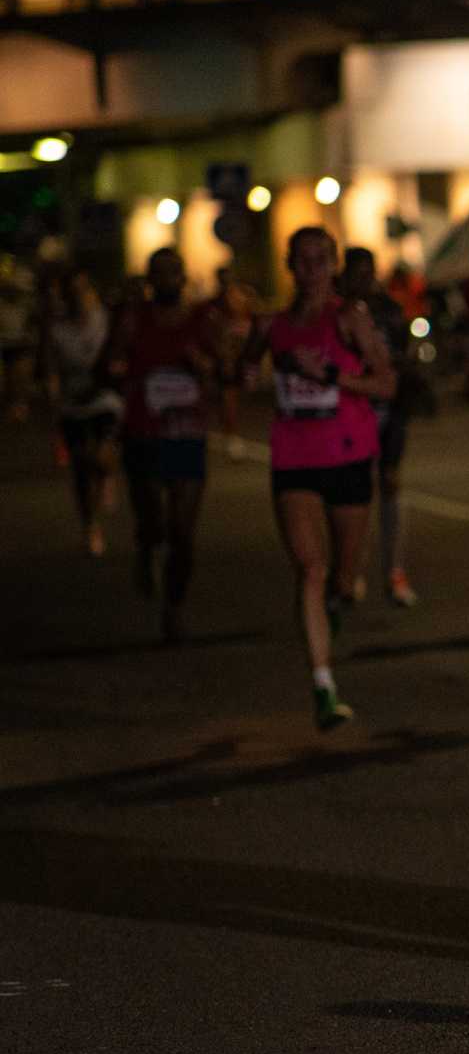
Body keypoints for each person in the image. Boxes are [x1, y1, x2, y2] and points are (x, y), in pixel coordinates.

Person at [237, 228, 396, 730]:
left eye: (320, 261)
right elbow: (243, 373)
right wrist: (246, 371)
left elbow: (387, 382)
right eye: (302, 262)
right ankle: (324, 687)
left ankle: (339, 593)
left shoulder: (349, 319)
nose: (311, 271)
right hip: (294, 458)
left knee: (343, 582)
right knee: (309, 568)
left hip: (347, 453)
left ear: (333, 267)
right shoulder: (272, 325)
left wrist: (331, 377)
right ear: (289, 266)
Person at [114, 248, 217, 641]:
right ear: (149, 279)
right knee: (153, 522)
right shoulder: (133, 319)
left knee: (182, 529)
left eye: (175, 271)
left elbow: (220, 368)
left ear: (185, 276)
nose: (168, 279)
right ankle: (145, 547)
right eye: (160, 273)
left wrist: (205, 366)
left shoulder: (199, 321)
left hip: (187, 432)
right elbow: (107, 362)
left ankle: (174, 607)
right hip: (144, 431)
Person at [339, 247, 421, 607]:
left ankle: (395, 571)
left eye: (368, 273)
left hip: (387, 411)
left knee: (390, 483)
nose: (363, 281)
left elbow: (405, 352)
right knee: (353, 493)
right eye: (355, 274)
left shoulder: (389, 309)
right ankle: (349, 571)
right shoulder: (336, 313)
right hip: (350, 412)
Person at [41, 268, 121, 558]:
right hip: (73, 403)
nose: (79, 297)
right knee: (81, 466)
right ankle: (90, 525)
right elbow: (51, 370)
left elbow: (118, 352)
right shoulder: (56, 328)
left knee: (101, 456)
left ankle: (107, 475)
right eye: (72, 291)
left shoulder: (103, 320)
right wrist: (54, 404)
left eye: (83, 290)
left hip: (103, 398)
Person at [206, 265, 260, 460]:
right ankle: (231, 435)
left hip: (242, 357)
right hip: (225, 359)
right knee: (228, 396)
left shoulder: (244, 299)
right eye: (222, 279)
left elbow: (256, 324)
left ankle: (231, 431)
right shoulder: (214, 305)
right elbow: (211, 332)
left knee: (239, 397)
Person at [0, 255, 34, 426]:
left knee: (20, 382)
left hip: (20, 346)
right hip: (4, 346)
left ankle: (20, 410)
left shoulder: (25, 303)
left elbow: (32, 325)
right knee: (5, 383)